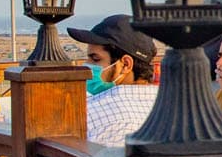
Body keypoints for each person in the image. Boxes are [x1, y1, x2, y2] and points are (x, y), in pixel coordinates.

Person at [67, 14, 161, 146]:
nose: (86, 66)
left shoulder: (92, 113)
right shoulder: (170, 107)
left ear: (126, 65)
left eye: (95, 59)